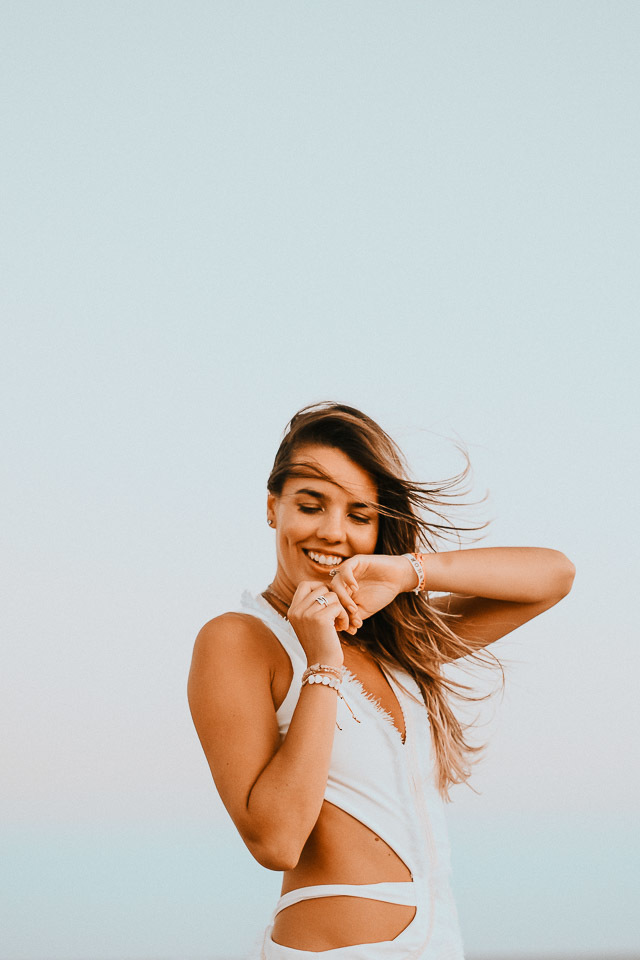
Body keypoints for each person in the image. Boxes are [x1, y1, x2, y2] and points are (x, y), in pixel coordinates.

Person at [188, 402, 575, 959]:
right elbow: (275, 839)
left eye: (359, 515)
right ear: (273, 507)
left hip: (439, 945)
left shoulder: (397, 648)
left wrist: (406, 572)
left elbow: (554, 575)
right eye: (311, 505)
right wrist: (322, 661)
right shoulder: (239, 640)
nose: (333, 532)